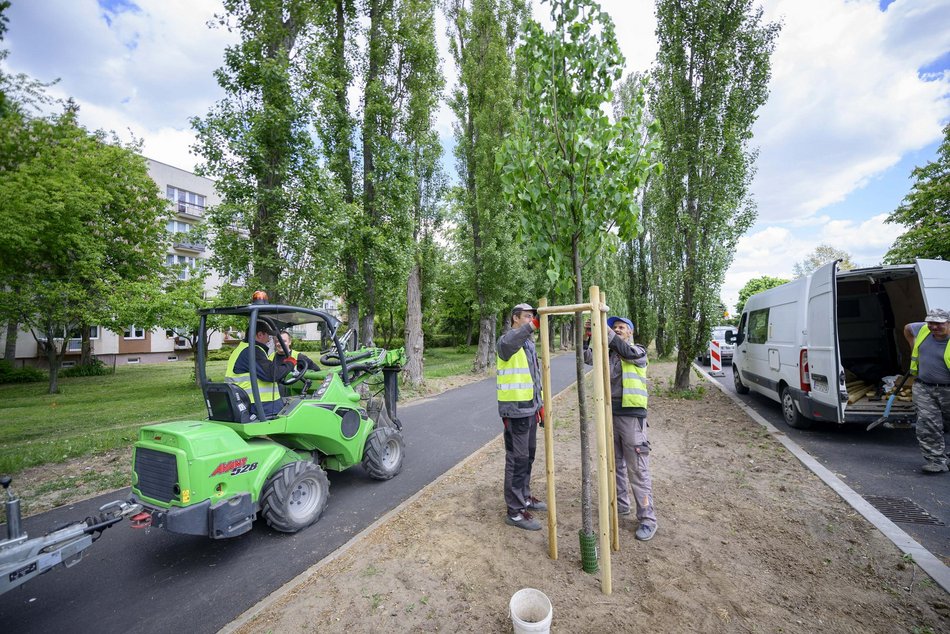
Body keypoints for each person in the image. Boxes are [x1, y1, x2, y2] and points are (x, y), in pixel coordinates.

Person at [584, 315, 658, 541]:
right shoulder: (608, 353)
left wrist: (606, 331)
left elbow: (624, 350)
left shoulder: (638, 351)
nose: (617, 330)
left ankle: (647, 518)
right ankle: (621, 505)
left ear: (630, 332)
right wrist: (588, 334)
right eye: (614, 327)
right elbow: (587, 357)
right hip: (610, 413)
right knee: (615, 464)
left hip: (631, 416)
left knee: (637, 468)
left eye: (621, 327)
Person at [496, 302, 547, 531]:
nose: (531, 320)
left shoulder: (527, 344)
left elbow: (534, 377)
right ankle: (515, 512)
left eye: (532, 317)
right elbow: (508, 346)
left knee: (528, 456)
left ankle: (525, 497)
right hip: (515, 410)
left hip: (529, 408)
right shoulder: (507, 340)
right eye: (527, 317)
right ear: (515, 318)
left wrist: (540, 405)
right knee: (517, 459)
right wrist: (531, 326)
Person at [903, 308, 950, 474]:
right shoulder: (923, 330)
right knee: (927, 424)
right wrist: (913, 346)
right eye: (931, 322)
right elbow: (908, 328)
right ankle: (936, 461)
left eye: (939, 323)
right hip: (924, 387)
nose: (934, 327)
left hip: (947, 390)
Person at [226, 324, 296, 417]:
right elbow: (272, 375)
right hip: (260, 405)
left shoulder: (241, 349)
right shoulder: (252, 351)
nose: (269, 340)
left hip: (244, 401)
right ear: (260, 335)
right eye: (268, 336)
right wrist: (289, 363)